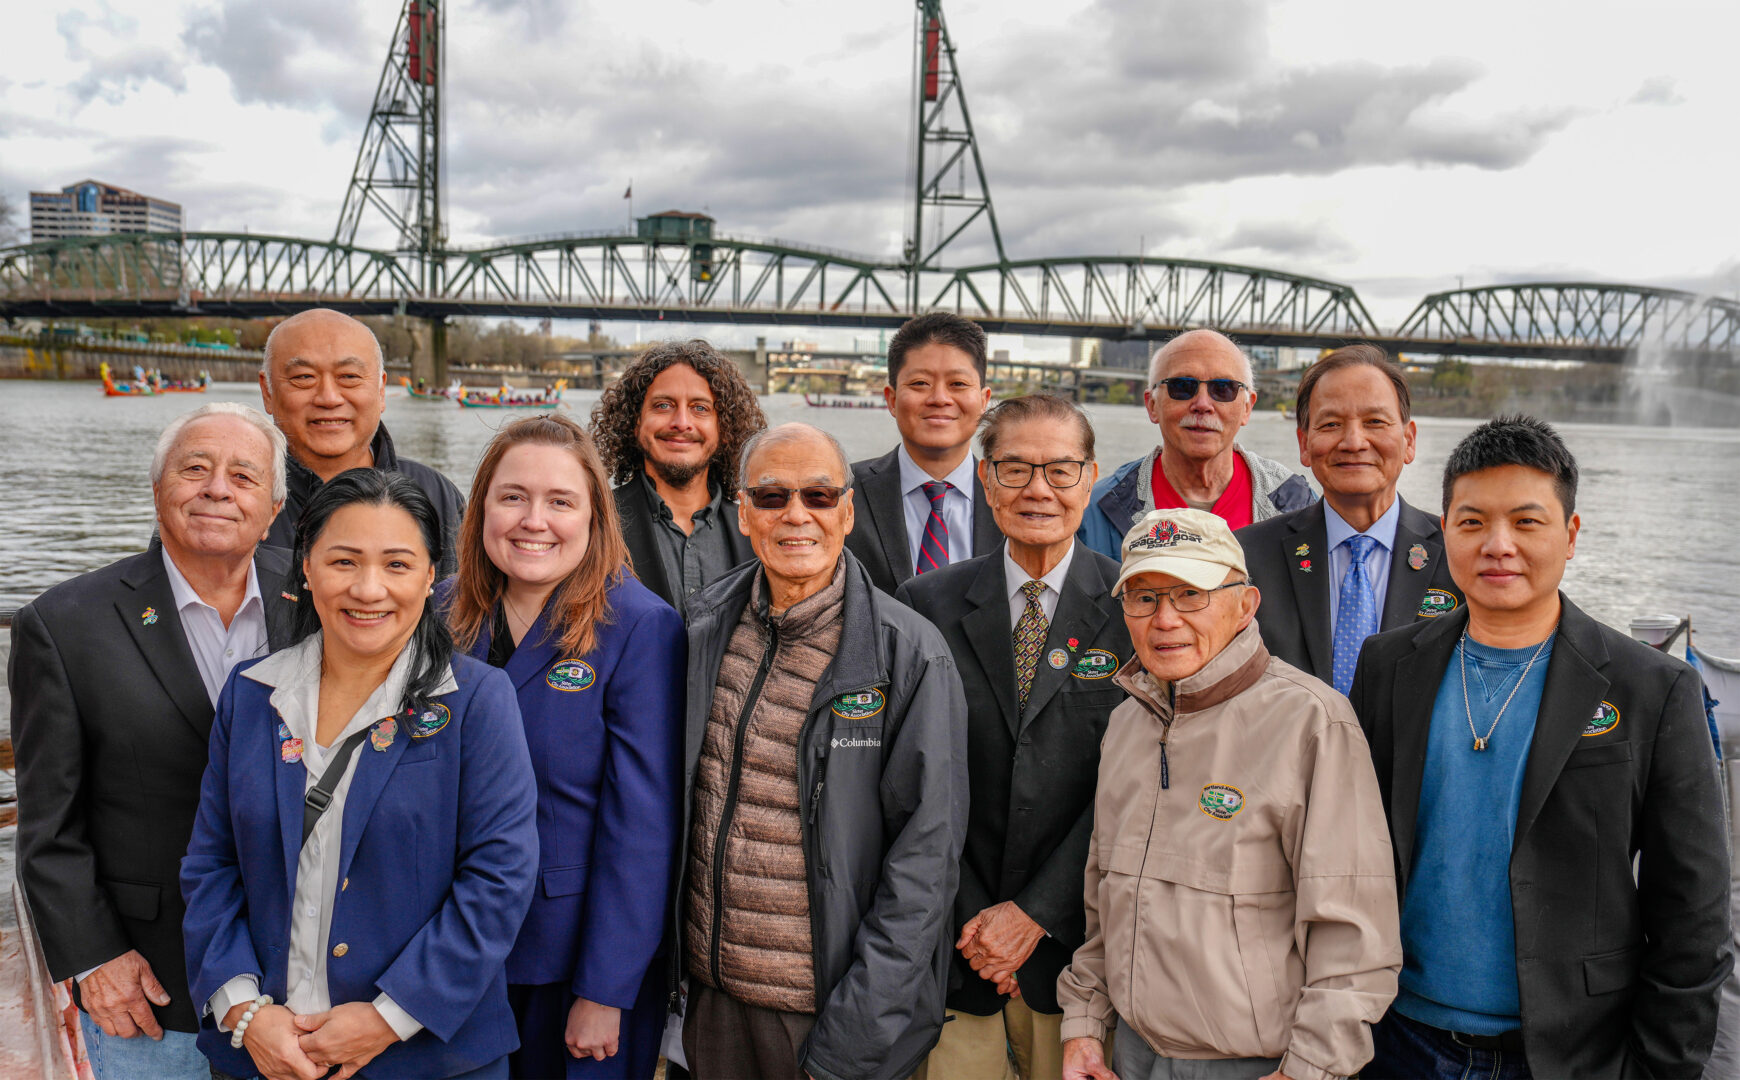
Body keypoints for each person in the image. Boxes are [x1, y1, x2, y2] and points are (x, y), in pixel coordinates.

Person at [1350, 416, 1732, 1079]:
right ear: (1445, 531)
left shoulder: (1653, 689)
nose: (1498, 545)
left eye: (1527, 522)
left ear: (1571, 535)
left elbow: (1694, 912)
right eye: (1472, 522)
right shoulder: (1387, 666)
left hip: (1573, 1053)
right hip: (1396, 1041)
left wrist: (1657, 1068)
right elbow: (1347, 854)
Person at [181, 469, 539, 1080]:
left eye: (397, 564)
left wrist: (388, 1018)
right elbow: (211, 865)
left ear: (430, 577)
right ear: (307, 568)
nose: (369, 589)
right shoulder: (251, 694)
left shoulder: (477, 700)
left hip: (428, 1058)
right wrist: (244, 1013)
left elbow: (499, 878)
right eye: (343, 561)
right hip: (266, 1052)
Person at [1059, 508, 1400, 1080]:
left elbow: (1353, 937)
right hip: (1130, 1057)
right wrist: (1085, 1027)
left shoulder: (1311, 722)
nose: (1165, 619)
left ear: (1245, 605)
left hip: (1257, 1066)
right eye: (1143, 598)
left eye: (1190, 594)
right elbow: (1104, 905)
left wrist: (1309, 1069)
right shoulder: (1126, 723)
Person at [10, 403, 296, 1080]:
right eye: (195, 469)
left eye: (243, 476)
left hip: (305, 976)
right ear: (157, 486)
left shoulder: (321, 598)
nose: (217, 489)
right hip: (151, 985)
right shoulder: (64, 624)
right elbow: (49, 826)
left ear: (274, 508)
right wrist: (93, 958)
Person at [677, 422, 968, 1080]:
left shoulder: (910, 656)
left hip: (832, 1019)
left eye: (818, 494)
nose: (796, 514)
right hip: (715, 1005)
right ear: (743, 512)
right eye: (772, 496)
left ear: (847, 511)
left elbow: (925, 866)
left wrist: (851, 1043)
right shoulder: (703, 625)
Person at [442, 414, 686, 1080]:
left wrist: (605, 989)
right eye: (512, 497)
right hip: (444, 956)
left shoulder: (640, 627)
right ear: (482, 507)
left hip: (570, 966)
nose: (533, 520)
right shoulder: (438, 613)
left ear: (594, 517)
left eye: (560, 501)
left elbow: (642, 828)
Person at [896, 396, 1131, 1080]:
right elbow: (912, 780)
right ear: (985, 477)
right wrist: (980, 923)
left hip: (1082, 959)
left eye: (1060, 469)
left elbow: (1138, 785)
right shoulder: (924, 604)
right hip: (957, 951)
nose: (1038, 489)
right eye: (1016, 468)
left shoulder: (1135, 608)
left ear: (1091, 478)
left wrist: (1035, 915)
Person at [1238, 345, 1461, 693]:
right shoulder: (1246, 555)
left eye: (1375, 422)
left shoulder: (1462, 555)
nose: (1354, 442)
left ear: (1409, 440)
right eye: (1331, 424)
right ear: (1304, 444)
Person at [258, 307, 465, 574]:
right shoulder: (237, 497)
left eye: (349, 377)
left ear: (381, 390)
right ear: (267, 391)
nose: (329, 398)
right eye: (304, 377)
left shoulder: (437, 495)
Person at [1078, 329, 1313, 559]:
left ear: (1247, 408)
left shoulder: (1297, 503)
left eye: (1223, 388)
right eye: (1182, 387)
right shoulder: (1094, 512)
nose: (1202, 404)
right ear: (1152, 405)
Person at [590, 340, 764, 609]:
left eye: (700, 408)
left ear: (724, 429)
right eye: (663, 405)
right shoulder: (594, 521)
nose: (682, 423)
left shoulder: (757, 531)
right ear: (635, 422)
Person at [845, 312, 999, 596]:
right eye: (919, 384)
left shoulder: (1014, 498)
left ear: (983, 401)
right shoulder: (840, 493)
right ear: (892, 399)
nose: (939, 398)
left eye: (958, 384)